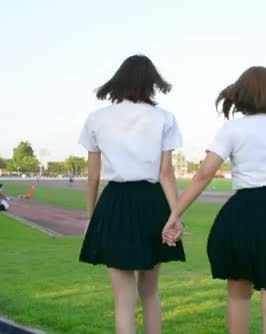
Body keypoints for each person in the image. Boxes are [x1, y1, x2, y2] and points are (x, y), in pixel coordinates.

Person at [163, 66, 266, 333]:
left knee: (238, 297)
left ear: (240, 95)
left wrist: (175, 214)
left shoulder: (232, 129)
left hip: (241, 214)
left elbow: (203, 174)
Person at [78, 55, 185, 334]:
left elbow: (93, 176)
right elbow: (166, 174)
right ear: (151, 83)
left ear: (118, 80)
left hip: (115, 203)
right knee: (150, 292)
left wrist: (91, 216)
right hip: (153, 202)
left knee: (123, 301)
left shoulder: (97, 119)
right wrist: (175, 215)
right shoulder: (164, 118)